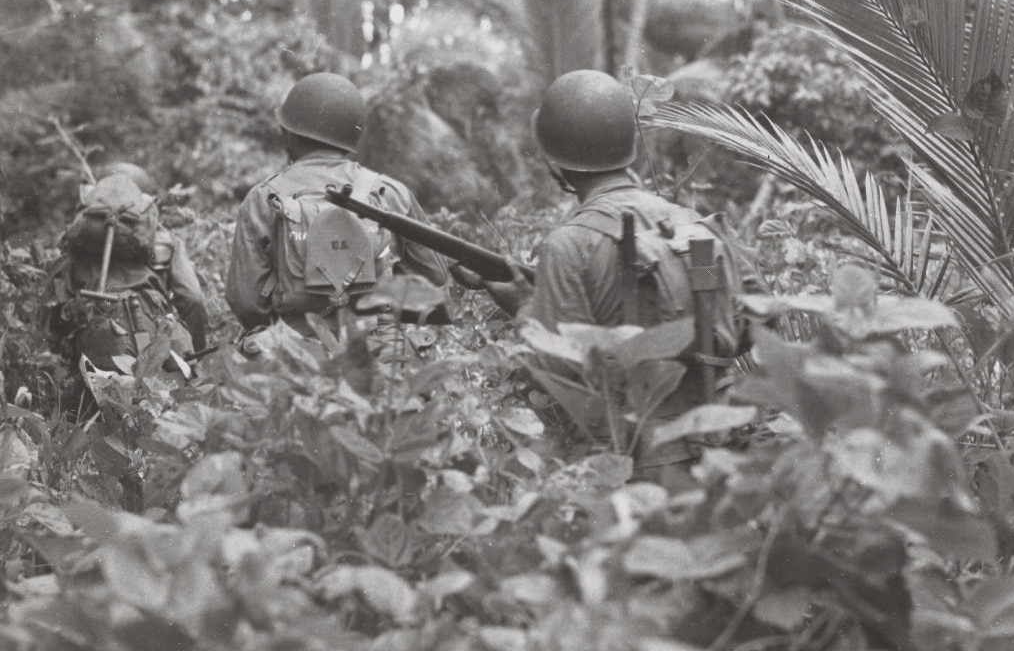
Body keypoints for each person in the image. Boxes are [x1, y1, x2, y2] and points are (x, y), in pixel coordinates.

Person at [460, 70, 748, 454]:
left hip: (629, 463)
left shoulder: (568, 245)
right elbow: (752, 319)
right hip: (717, 453)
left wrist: (524, 307)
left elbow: (563, 374)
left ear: (553, 162)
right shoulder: (698, 228)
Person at [226, 73, 449, 342]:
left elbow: (247, 304)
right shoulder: (390, 193)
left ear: (290, 133)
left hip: (294, 355)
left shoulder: (263, 199)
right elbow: (433, 278)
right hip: (378, 351)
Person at [45, 161, 210, 371]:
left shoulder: (75, 239)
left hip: (100, 333)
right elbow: (193, 299)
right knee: (176, 394)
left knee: (101, 400)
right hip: (159, 333)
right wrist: (196, 352)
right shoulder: (165, 241)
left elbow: (58, 303)